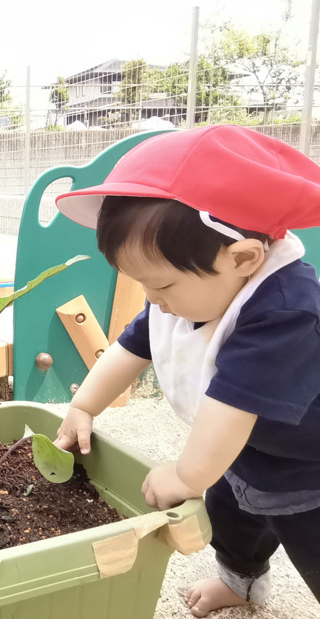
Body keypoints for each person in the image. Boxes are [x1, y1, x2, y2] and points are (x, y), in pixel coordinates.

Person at [52, 124, 320, 617]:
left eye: (161, 286)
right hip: (238, 451)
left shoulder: (287, 313)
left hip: (306, 467)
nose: (152, 300)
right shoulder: (188, 291)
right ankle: (239, 581)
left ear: (243, 258)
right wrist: (83, 406)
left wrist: (187, 473)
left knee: (308, 543)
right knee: (231, 525)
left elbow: (233, 407)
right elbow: (130, 348)